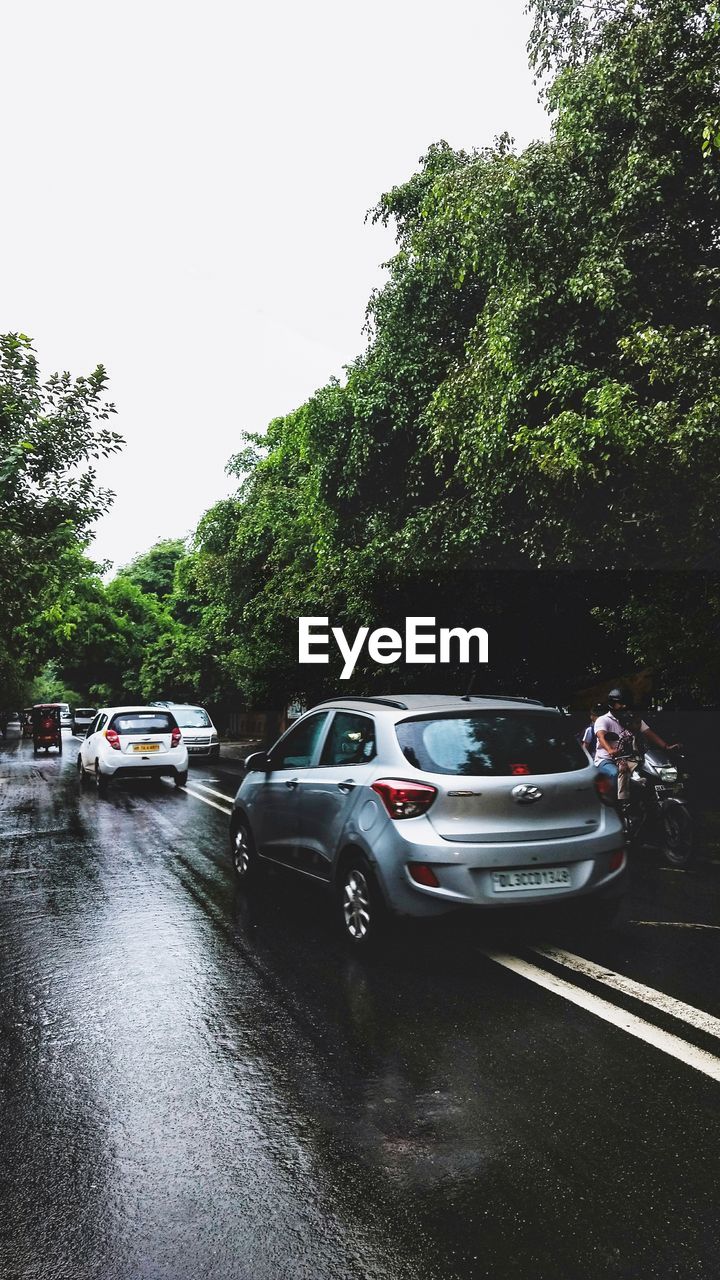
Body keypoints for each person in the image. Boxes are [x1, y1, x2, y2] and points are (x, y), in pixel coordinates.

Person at [594, 688, 679, 802]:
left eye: (626, 703)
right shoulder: (603, 720)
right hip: (607, 760)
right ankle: (618, 806)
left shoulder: (632, 718)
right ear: (612, 704)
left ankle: (645, 802)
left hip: (630, 758)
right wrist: (610, 749)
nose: (624, 706)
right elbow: (601, 736)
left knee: (647, 774)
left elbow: (649, 733)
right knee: (615, 774)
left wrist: (666, 746)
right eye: (621, 703)